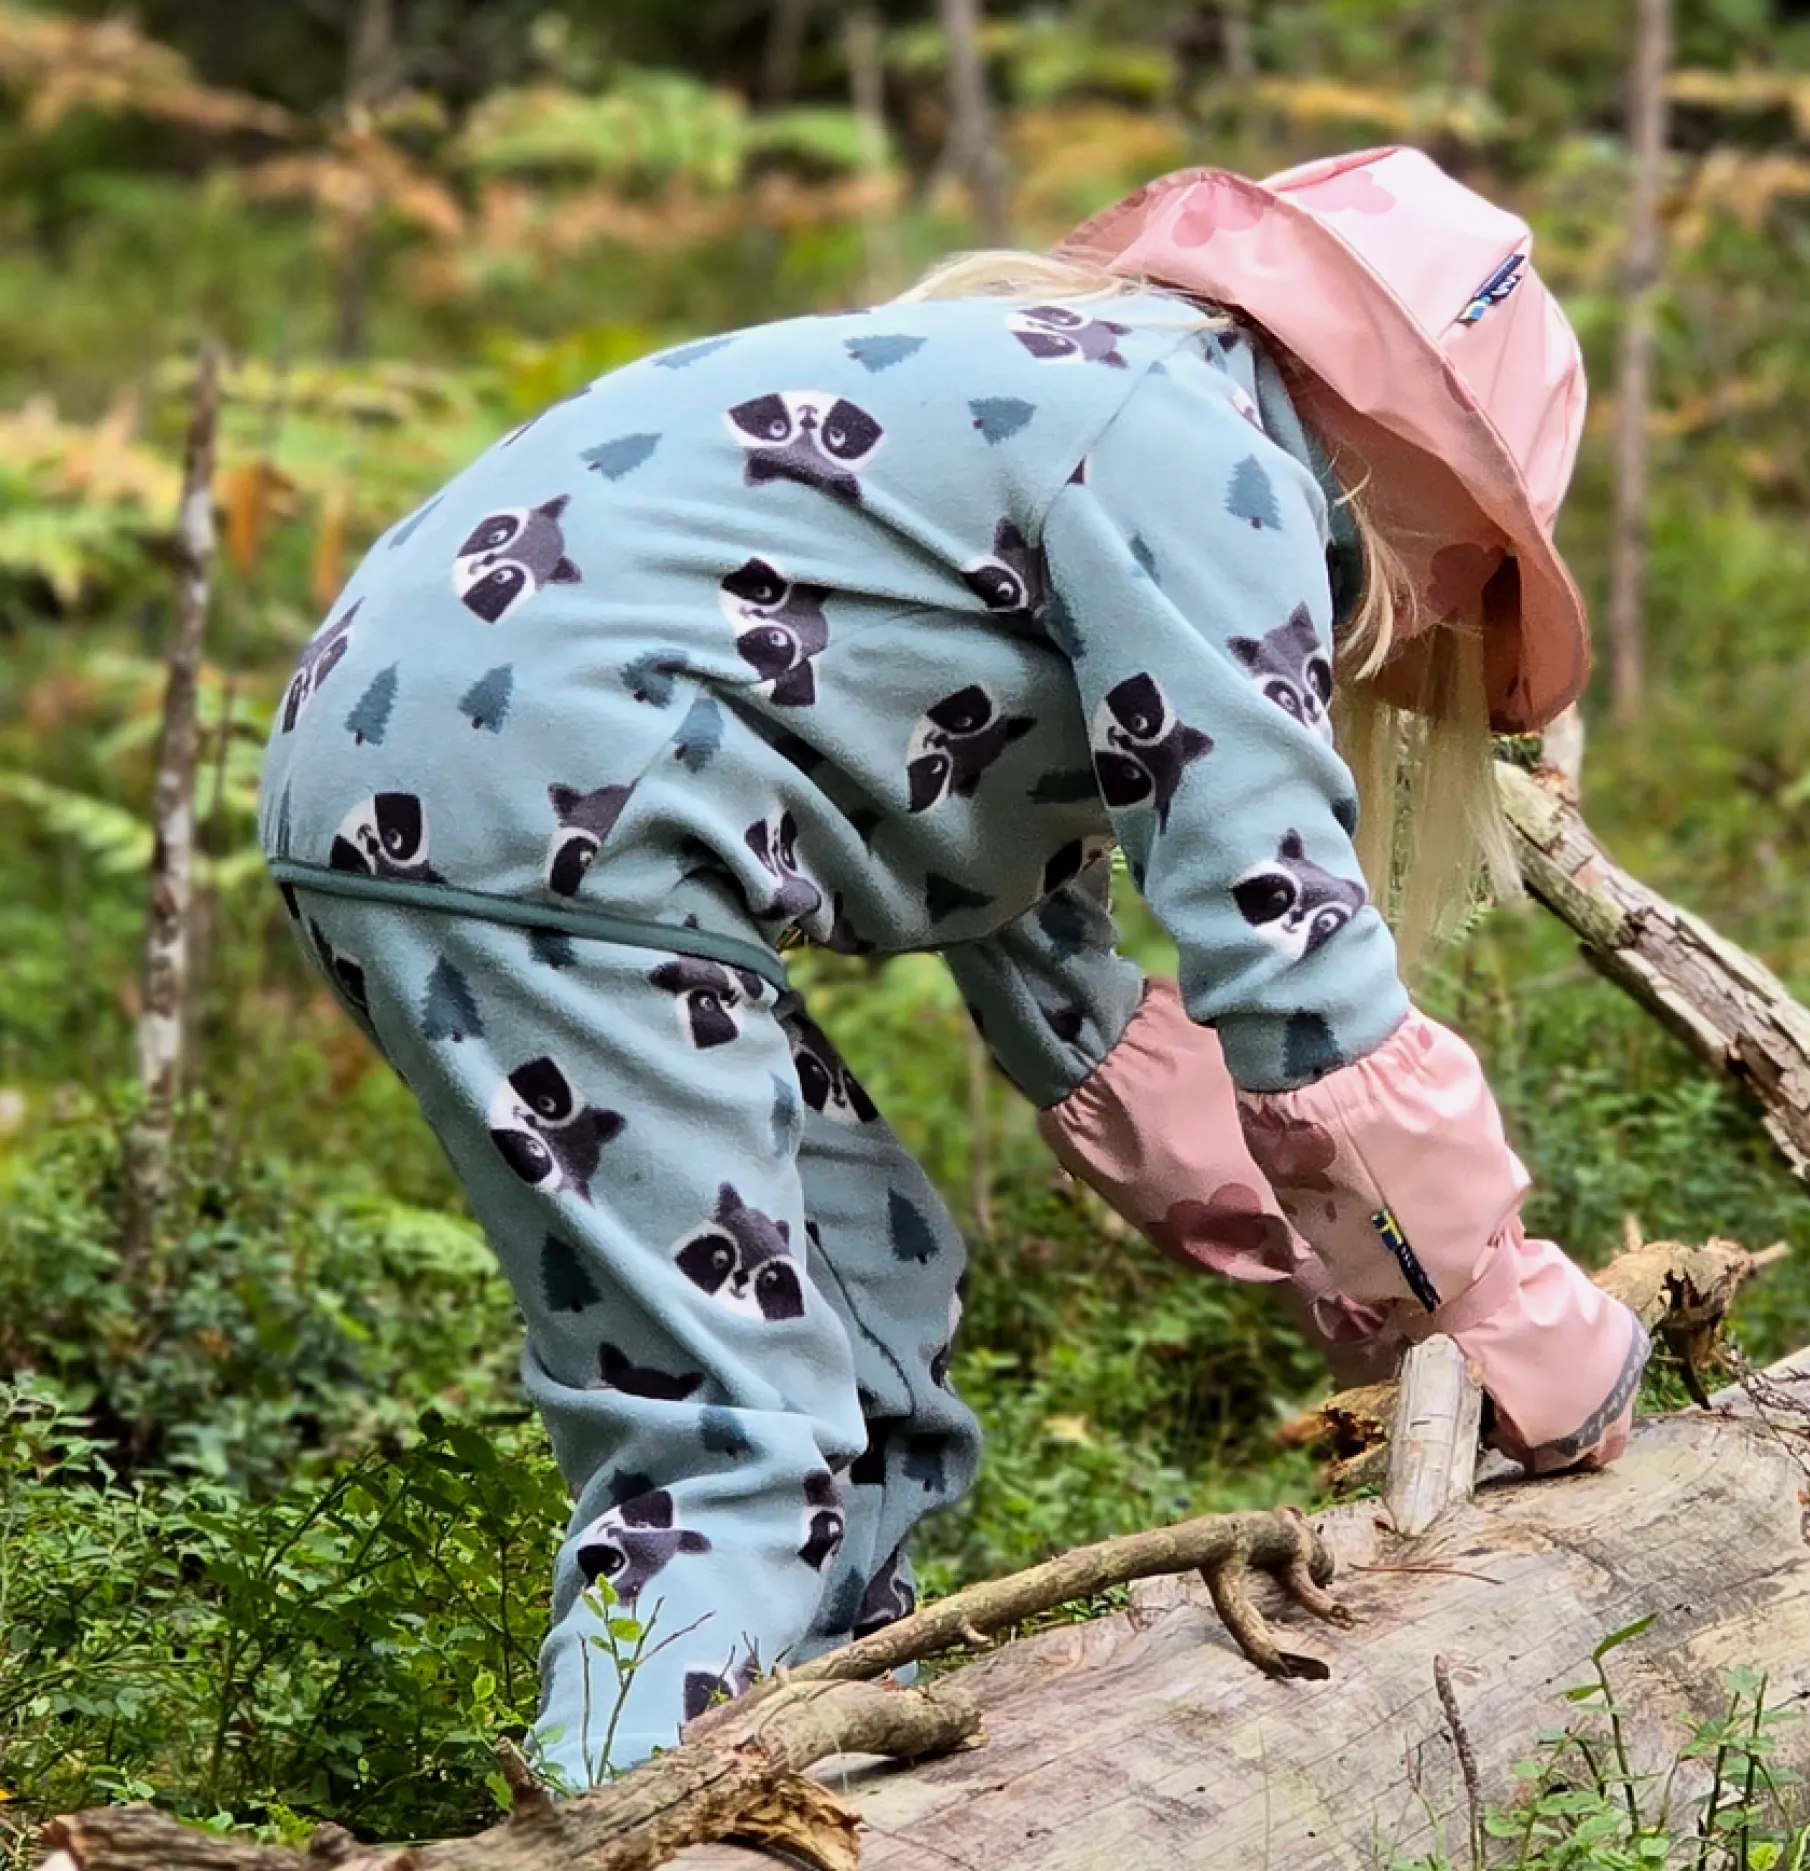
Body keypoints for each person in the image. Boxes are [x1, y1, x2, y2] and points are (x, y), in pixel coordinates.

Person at [257, 145, 1647, 1790]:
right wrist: (1490, 1306)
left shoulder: (1068, 440)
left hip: (441, 771)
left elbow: (1081, 1020)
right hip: (549, 801)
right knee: (735, 1427)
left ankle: (805, 1759)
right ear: (1418, 464)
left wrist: (1362, 1299)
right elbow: (1292, 968)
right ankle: (628, 1819)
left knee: (865, 1280)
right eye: (1472, 569)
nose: (1420, 628)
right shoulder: (1202, 460)